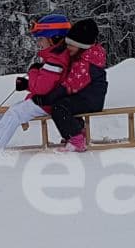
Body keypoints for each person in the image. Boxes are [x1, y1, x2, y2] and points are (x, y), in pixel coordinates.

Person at [0, 15, 73, 152]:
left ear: (54, 38)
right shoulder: (55, 57)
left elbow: (41, 88)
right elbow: (47, 84)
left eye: (41, 39)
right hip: (45, 100)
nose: (39, 43)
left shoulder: (56, 60)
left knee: (15, 113)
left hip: (49, 103)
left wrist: (33, 71)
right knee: (8, 112)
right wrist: (26, 84)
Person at [32, 18, 107, 152]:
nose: (68, 48)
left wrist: (48, 98)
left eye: (71, 45)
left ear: (81, 46)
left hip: (91, 100)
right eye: (67, 44)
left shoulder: (85, 64)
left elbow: (69, 85)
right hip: (86, 97)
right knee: (63, 104)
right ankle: (79, 132)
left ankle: (76, 140)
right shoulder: (83, 57)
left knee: (59, 107)